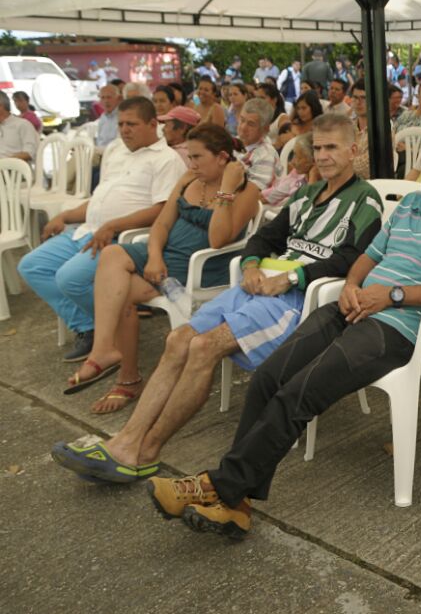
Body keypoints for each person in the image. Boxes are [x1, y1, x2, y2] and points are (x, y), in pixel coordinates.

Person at [144, 136, 421, 538]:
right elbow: (370, 257)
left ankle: (219, 487)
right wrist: (351, 284)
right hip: (353, 307)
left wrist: (393, 295)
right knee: (268, 378)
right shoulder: (410, 205)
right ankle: (237, 505)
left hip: (401, 328)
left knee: (299, 393)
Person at [50, 115, 384, 480]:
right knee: (178, 339)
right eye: (317, 147)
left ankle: (144, 450)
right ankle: (125, 441)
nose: (322, 155)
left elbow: (353, 258)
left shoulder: (364, 199)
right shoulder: (305, 194)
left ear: (353, 150)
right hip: (258, 286)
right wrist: (252, 265)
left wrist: (292, 277)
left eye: (331, 147)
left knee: (204, 347)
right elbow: (263, 238)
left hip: (296, 299)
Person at [61, 125, 260, 413]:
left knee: (122, 293)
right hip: (164, 258)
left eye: (197, 157)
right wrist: (154, 256)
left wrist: (226, 189)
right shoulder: (188, 180)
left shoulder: (246, 191)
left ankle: (126, 378)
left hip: (199, 268)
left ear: (222, 157)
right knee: (113, 254)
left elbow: (218, 239)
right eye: (189, 157)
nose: (191, 164)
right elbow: (162, 225)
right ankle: (104, 350)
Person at [18, 97, 186, 362]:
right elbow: (100, 199)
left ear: (153, 124)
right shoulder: (117, 150)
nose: (124, 129)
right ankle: (90, 326)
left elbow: (163, 210)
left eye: (132, 124)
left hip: (121, 237)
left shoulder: (166, 159)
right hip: (88, 229)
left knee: (68, 278)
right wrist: (65, 215)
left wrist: (113, 225)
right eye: (121, 124)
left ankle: (111, 333)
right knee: (31, 266)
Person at [236, 97, 280, 191]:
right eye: (242, 120)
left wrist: (220, 194)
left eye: (251, 124)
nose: (243, 127)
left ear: (265, 129)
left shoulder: (266, 155)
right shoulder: (234, 142)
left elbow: (252, 194)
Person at [0, 91, 39, 163]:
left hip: (14, 170)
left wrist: (4, 163)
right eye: (15, 101)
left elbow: (29, 153)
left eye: (19, 101)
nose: (17, 104)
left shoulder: (22, 125)